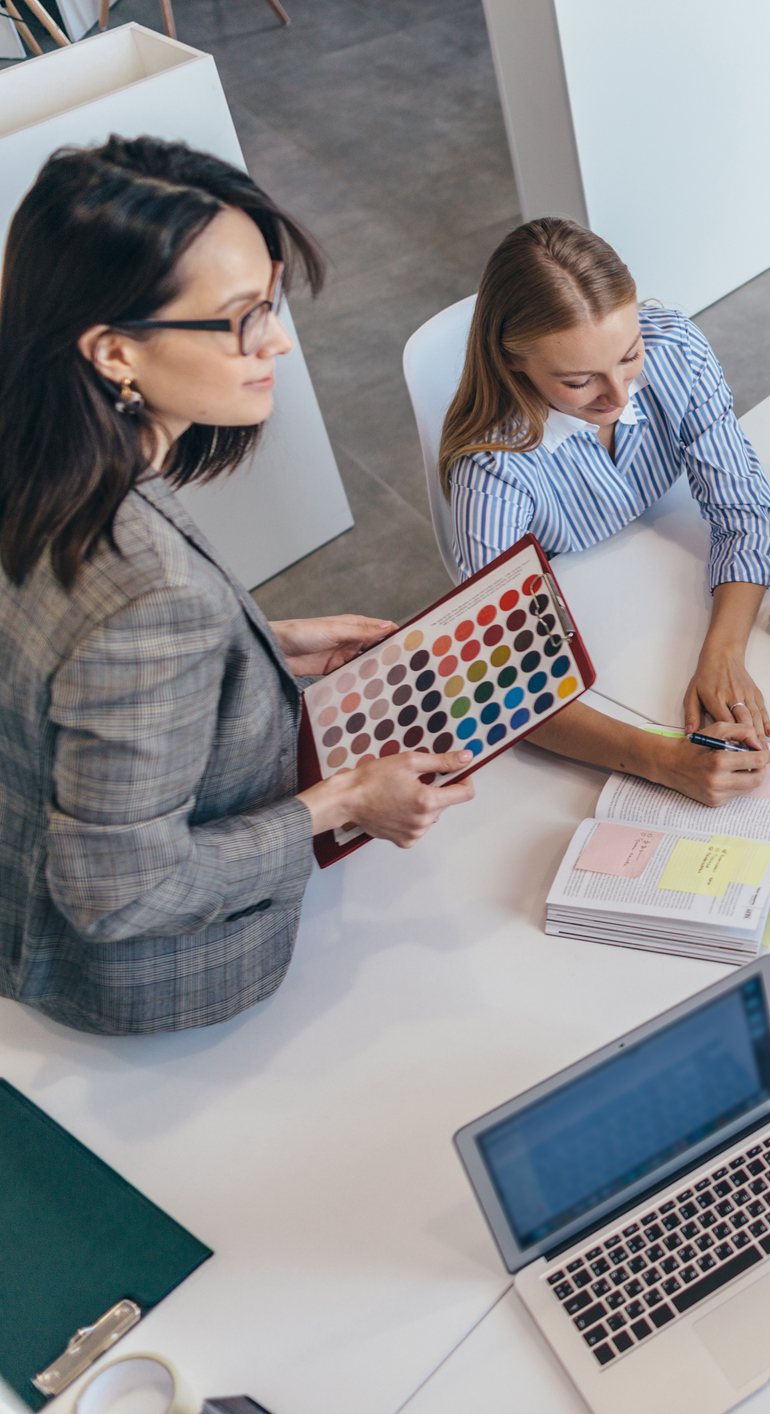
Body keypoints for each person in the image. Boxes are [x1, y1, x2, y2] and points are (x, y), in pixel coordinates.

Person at [0, 137, 475, 1036]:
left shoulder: (39, 455)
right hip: (165, 983)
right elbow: (123, 892)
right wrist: (346, 802)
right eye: (241, 318)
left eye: (272, 300)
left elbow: (57, 654)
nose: (279, 342)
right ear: (113, 352)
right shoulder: (149, 599)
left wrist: (257, 641)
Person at [439, 218, 770, 807]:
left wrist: (723, 653)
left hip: (642, 592)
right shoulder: (492, 474)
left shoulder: (674, 347)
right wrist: (661, 759)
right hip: (586, 624)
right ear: (514, 362)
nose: (621, 397)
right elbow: (508, 687)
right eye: (578, 381)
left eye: (628, 356)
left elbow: (746, 508)